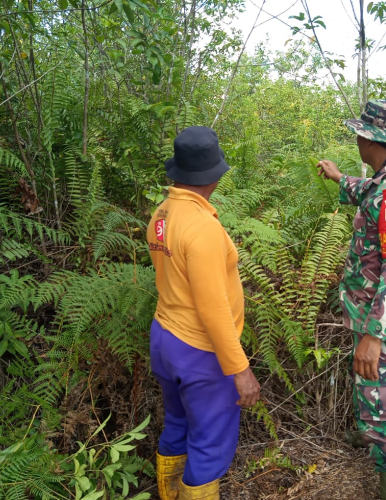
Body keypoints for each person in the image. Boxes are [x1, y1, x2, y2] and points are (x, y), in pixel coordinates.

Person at [316, 100, 386, 500]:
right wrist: (338, 178)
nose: (357, 139)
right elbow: (369, 192)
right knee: (374, 398)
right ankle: (368, 428)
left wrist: (376, 335)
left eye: (360, 134)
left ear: (373, 139)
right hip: (377, 315)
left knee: (385, 418)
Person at [147, 126, 261, 500]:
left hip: (165, 337)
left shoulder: (162, 214)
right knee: (209, 444)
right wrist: (240, 370)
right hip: (201, 351)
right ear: (214, 175)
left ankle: (169, 493)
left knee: (177, 423)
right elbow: (213, 309)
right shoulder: (202, 228)